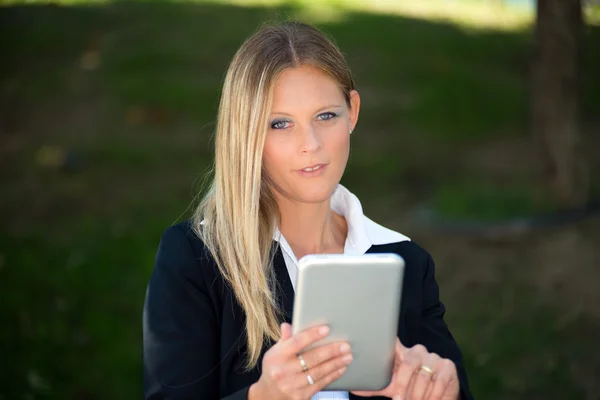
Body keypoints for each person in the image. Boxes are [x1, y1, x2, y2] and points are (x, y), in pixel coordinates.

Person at [143, 21, 474, 400]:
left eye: (326, 116)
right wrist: (266, 396)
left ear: (353, 112)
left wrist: (441, 389)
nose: (311, 144)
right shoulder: (197, 259)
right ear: (246, 133)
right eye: (281, 124)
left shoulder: (406, 263)